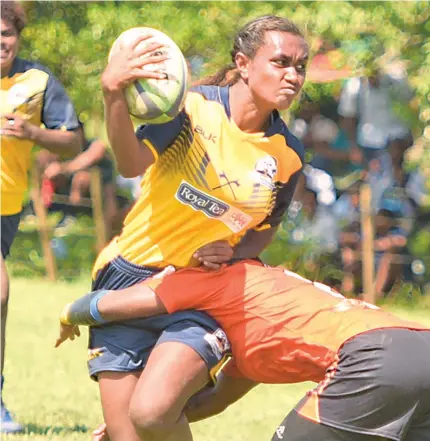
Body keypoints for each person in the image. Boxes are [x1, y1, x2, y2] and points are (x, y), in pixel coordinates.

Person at [83, 15, 307, 441]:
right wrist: (113, 95)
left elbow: (266, 228)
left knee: (152, 415)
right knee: (127, 434)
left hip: (203, 291)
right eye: (280, 63)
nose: (293, 76)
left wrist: (237, 252)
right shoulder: (189, 108)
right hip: (127, 279)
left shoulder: (288, 154)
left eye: (300, 66)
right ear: (243, 63)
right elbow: (130, 165)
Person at [57, 260, 430, 441]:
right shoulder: (255, 323)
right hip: (427, 347)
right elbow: (214, 400)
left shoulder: (209, 276)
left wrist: (68, 314)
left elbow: (108, 304)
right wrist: (145, 415)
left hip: (373, 357)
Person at [0, 1, 82, 433]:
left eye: (7, 34)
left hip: (7, 208)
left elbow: (73, 141)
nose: (0, 42)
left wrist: (33, 133)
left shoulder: (36, 81)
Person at [35, 137, 119, 238]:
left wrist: (62, 168)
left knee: (81, 179)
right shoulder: (63, 148)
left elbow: (90, 157)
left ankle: (107, 236)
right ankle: (43, 210)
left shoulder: (96, 144)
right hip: (68, 193)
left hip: (102, 191)